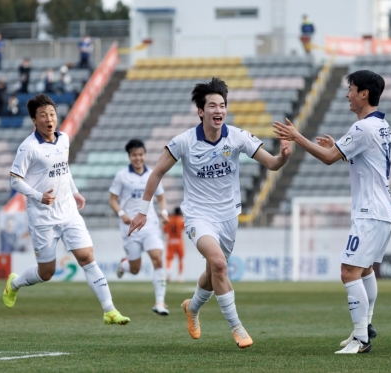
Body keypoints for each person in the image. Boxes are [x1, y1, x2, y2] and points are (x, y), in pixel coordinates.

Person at [128, 77, 291, 348]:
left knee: (212, 272)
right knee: (219, 264)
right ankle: (237, 327)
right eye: (213, 105)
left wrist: (284, 156)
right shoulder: (184, 141)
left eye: (223, 105)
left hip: (228, 217)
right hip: (197, 216)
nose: (219, 110)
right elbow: (156, 172)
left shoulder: (237, 136)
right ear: (201, 111)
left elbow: (272, 164)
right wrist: (143, 211)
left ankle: (192, 308)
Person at [272, 70, 391, 354]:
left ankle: (361, 338)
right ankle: (365, 326)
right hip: (383, 209)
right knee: (364, 270)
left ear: (364, 93)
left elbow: (328, 159)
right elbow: (359, 158)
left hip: (370, 211)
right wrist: (336, 148)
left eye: (351, 89)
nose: (347, 95)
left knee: (348, 271)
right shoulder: (381, 125)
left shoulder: (363, 128)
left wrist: (296, 136)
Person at [4, 93, 130, 325]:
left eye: (52, 113)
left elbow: (64, 169)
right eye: (43, 115)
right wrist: (39, 196)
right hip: (42, 217)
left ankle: (109, 310)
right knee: (47, 273)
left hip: (68, 212)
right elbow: (15, 180)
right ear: (34, 120)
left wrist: (74, 191)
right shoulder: (28, 148)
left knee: (87, 256)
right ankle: (14, 284)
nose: (49, 119)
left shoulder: (63, 140)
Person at [109, 138, 170, 316]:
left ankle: (160, 302)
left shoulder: (153, 174)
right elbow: (112, 200)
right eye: (134, 155)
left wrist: (164, 212)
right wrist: (122, 215)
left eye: (141, 154)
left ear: (145, 155)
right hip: (130, 227)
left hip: (150, 224)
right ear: (129, 156)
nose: (138, 158)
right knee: (135, 269)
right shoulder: (122, 176)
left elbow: (160, 197)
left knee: (158, 259)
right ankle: (124, 265)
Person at [163, 207, 185, 282]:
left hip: (171, 241)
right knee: (180, 259)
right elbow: (184, 228)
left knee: (169, 259)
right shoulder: (181, 220)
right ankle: (179, 276)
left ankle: (169, 273)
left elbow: (164, 230)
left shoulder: (169, 219)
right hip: (179, 241)